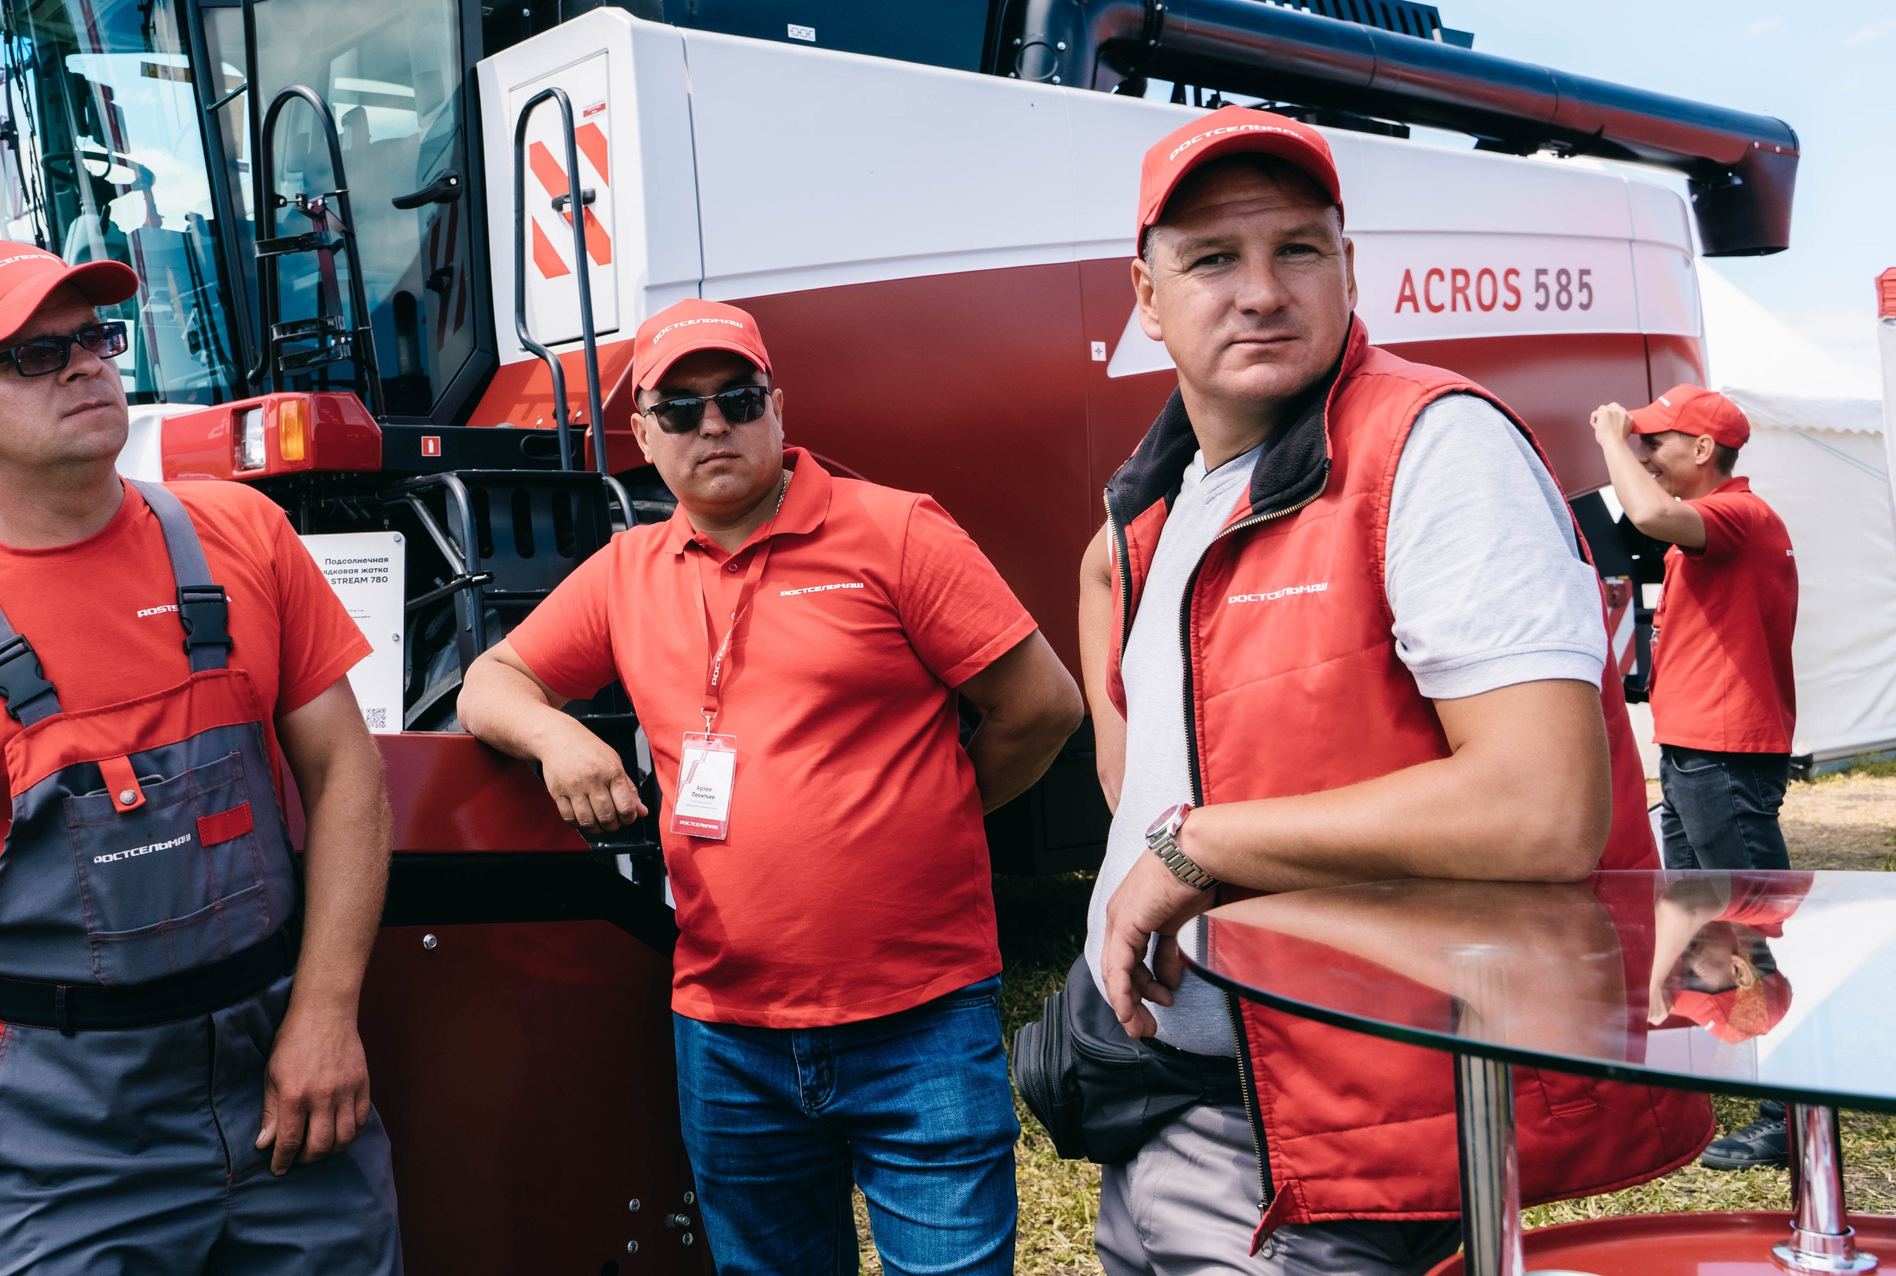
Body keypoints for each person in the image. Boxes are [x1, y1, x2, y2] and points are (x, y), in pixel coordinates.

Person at [1062, 108, 1707, 1275]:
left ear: (1349, 269)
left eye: (1296, 249)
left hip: (1324, 1141)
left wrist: (1200, 848)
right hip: (1168, 1098)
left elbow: (1539, 807)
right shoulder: (1162, 501)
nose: (1259, 290)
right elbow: (1151, 764)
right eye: (1210, 258)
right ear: (1145, 300)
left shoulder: (1432, 448)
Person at [0, 240, 400, 1274]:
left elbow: (348, 777)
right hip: (55, 1143)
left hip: (287, 1088)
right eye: (31, 355)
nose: (83, 366)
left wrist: (325, 1014)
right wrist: (17, 1040)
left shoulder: (242, 532)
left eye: (92, 338)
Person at [458, 297, 1084, 1276]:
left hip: (918, 1022)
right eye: (681, 409)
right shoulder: (627, 570)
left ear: (777, 409)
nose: (713, 425)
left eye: (737, 399)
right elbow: (490, 682)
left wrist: (933, 811)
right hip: (728, 1036)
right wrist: (557, 739)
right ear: (644, 437)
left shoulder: (896, 533)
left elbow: (1041, 706)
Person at [1591, 384, 1800, 1169]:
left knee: (1752, 923)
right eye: (1638, 439)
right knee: (1701, 905)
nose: (1643, 452)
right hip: (1698, 751)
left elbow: (1647, 513)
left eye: (1656, 440)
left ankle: (1791, 1112)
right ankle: (1754, 1079)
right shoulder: (1705, 535)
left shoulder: (1739, 516)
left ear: (1703, 450)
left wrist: (1611, 434)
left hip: (1723, 753)